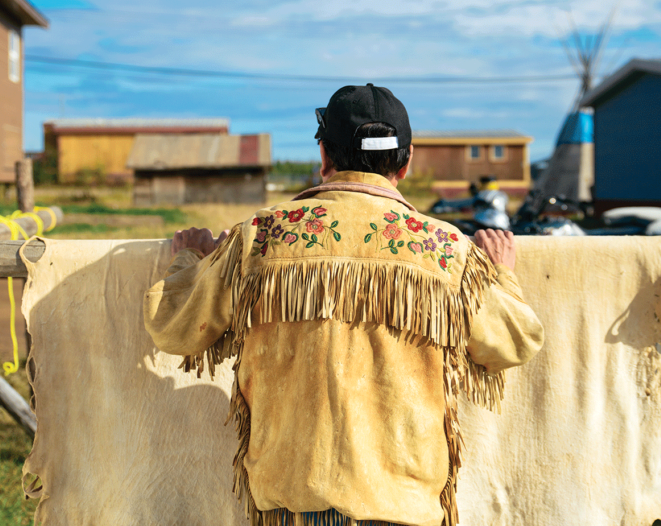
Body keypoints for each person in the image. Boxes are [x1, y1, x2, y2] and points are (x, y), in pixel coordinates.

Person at [144, 84, 544, 526]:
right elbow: (514, 342)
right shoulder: (447, 251)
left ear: (324, 159)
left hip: (291, 506)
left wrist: (189, 259)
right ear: (406, 163)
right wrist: (500, 272)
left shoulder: (260, 237)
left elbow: (175, 328)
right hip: (404, 508)